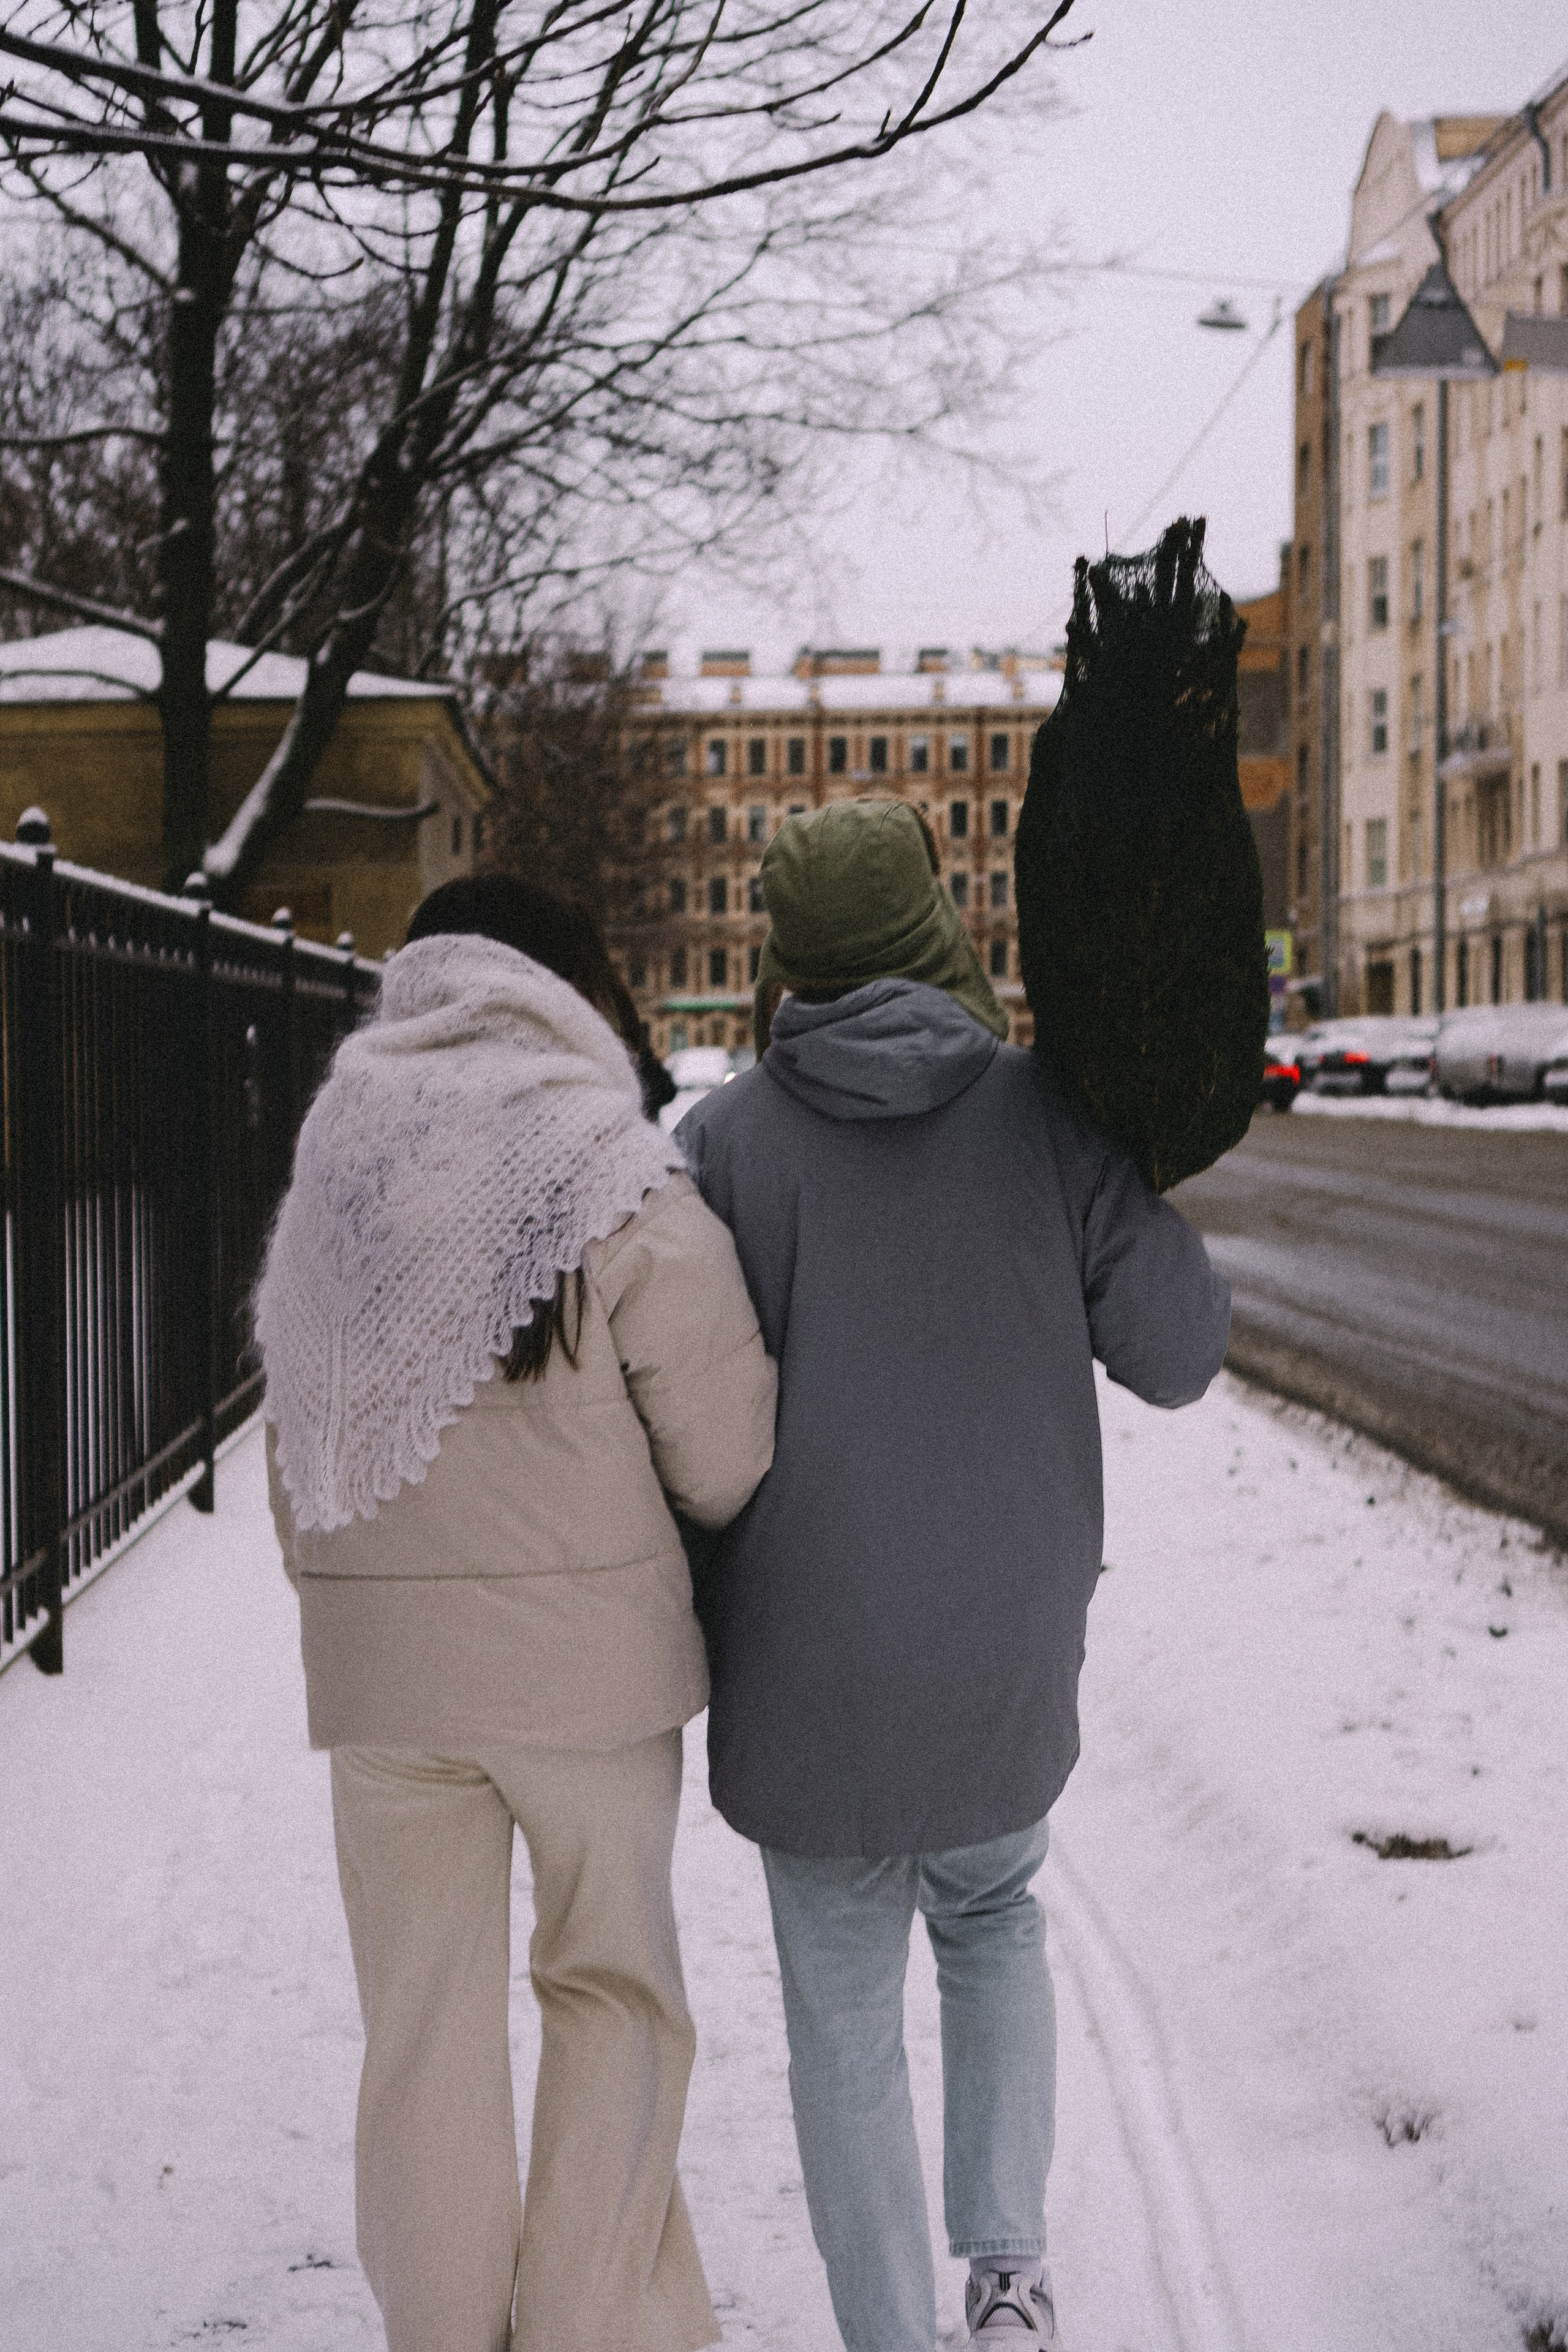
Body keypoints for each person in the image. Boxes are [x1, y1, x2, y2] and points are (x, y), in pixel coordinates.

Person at [677, 799, 1231, 2352]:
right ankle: (1006, 2275)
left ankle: (888, 2332)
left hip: (802, 1665)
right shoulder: (1051, 1114)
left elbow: (669, 1418)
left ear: (788, 948)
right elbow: (1178, 1354)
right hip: (1000, 1648)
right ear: (934, 921)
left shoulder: (719, 1148)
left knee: (841, 2014)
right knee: (992, 1922)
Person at [256, 873, 777, 2352]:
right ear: (563, 985)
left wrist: (346, 1601)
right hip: (586, 1686)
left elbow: (300, 1420)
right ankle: (591, 2326)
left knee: (419, 2034)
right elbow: (729, 1448)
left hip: (387, 1688)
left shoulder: (336, 1159)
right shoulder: (604, 1162)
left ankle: (440, 2329)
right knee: (612, 1994)